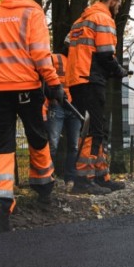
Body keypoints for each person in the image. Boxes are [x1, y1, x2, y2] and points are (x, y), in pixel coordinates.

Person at [0, 0, 64, 233]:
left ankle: (0, 203)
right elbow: (39, 51)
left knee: (2, 142)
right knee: (37, 134)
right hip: (25, 86)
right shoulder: (32, 12)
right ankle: (43, 185)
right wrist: (54, 82)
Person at [66, 0, 130, 194]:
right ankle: (84, 179)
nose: (118, 10)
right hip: (90, 79)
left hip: (77, 79)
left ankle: (101, 175)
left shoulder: (80, 21)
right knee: (93, 130)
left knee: (96, 128)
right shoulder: (103, 18)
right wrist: (119, 70)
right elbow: (105, 54)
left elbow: (68, 43)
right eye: (118, 5)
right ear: (112, 0)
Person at [44, 36, 81, 193]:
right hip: (58, 105)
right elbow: (45, 79)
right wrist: (53, 96)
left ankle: (70, 179)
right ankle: (47, 179)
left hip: (75, 107)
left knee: (74, 145)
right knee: (52, 144)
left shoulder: (81, 64)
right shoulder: (55, 59)